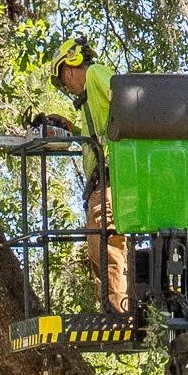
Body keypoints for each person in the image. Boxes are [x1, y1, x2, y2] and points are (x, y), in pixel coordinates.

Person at [45, 36, 129, 315]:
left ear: (69, 68)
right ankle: (110, 305)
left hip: (111, 176)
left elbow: (125, 100)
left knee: (106, 240)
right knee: (97, 243)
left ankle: (117, 310)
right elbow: (93, 133)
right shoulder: (87, 103)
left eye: (64, 79)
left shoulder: (95, 74)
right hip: (101, 180)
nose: (67, 86)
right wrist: (67, 127)